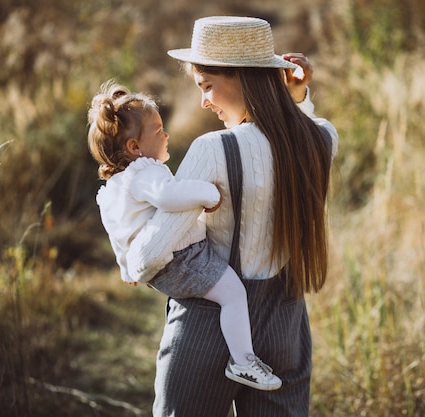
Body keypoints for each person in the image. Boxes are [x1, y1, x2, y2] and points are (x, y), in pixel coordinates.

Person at [125, 16, 338, 417]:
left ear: (242, 77)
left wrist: (130, 257)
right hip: (285, 323)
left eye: (207, 86)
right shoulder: (323, 139)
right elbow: (297, 131)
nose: (204, 101)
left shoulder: (213, 148)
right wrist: (296, 97)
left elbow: (152, 253)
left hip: (208, 324)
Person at [87, 81, 282, 391]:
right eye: (158, 130)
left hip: (161, 268)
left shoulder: (113, 189)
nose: (165, 135)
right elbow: (168, 196)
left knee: (219, 295)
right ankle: (243, 361)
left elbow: (118, 232)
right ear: (135, 148)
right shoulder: (143, 171)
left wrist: (126, 267)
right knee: (233, 293)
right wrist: (207, 194)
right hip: (181, 258)